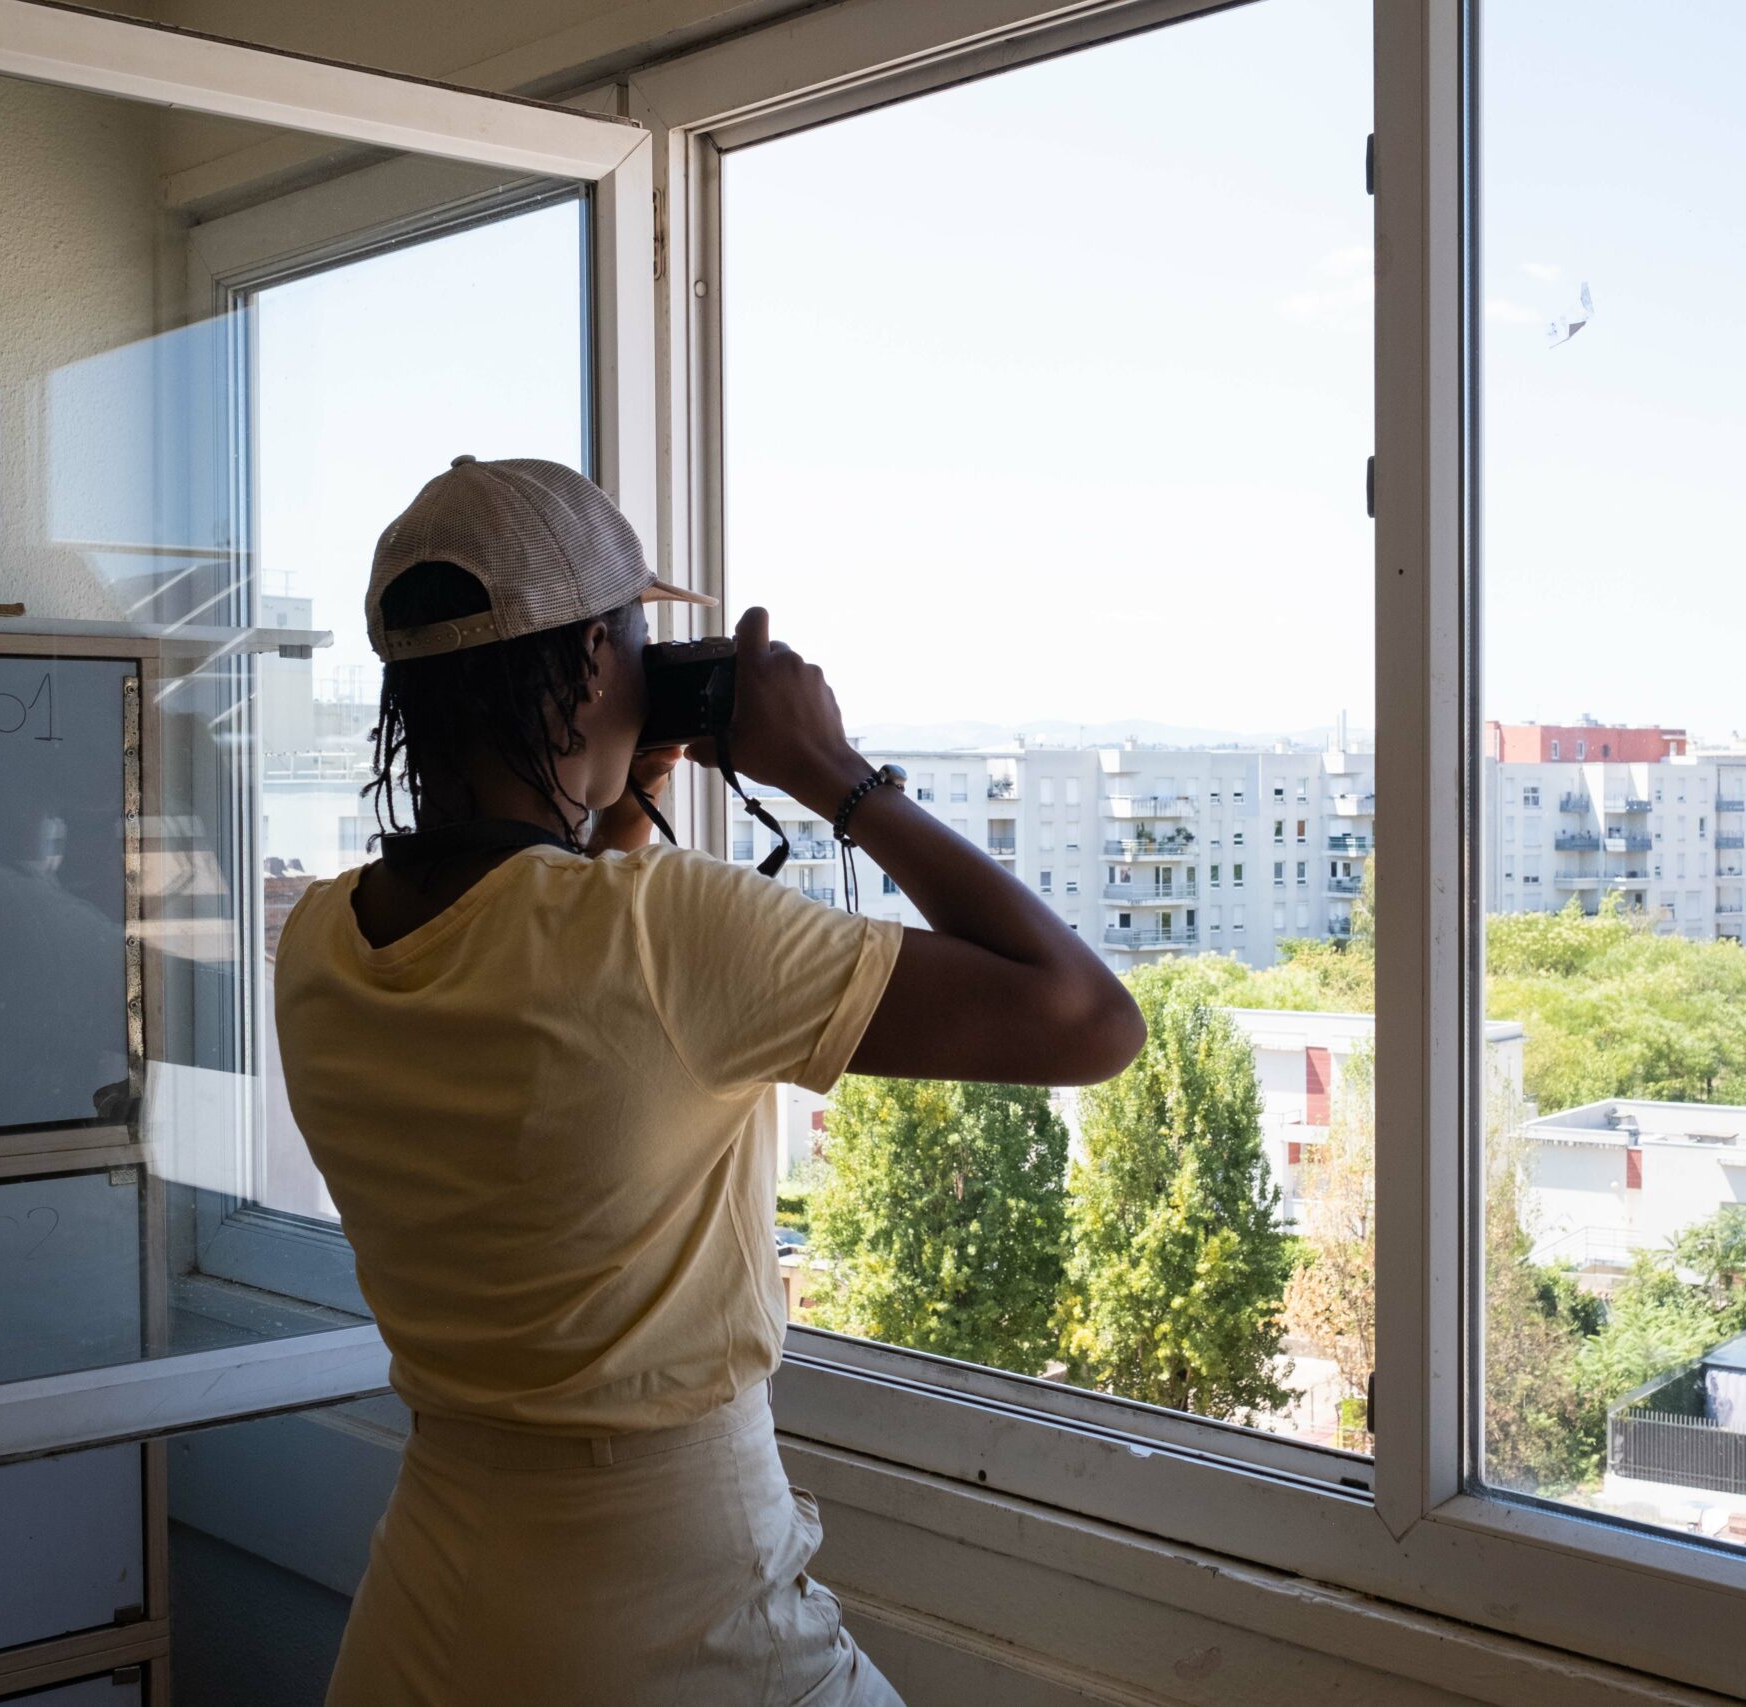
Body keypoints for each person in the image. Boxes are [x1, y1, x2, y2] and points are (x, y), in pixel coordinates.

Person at [273, 456, 1142, 1706]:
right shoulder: (659, 931)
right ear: (585, 667)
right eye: (632, 637)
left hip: (430, 1605)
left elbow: (553, 1000)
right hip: (677, 1614)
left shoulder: (318, 937)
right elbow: (1087, 1019)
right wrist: (835, 776)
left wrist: (610, 805)